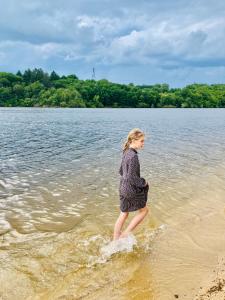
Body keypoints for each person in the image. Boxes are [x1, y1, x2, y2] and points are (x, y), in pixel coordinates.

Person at [113, 128, 149, 240]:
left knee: (124, 213)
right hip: (130, 189)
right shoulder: (133, 156)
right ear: (133, 140)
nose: (143, 144)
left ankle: (115, 240)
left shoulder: (126, 152)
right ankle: (125, 234)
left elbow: (121, 171)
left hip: (122, 187)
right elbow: (132, 178)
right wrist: (144, 182)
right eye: (141, 141)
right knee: (144, 211)